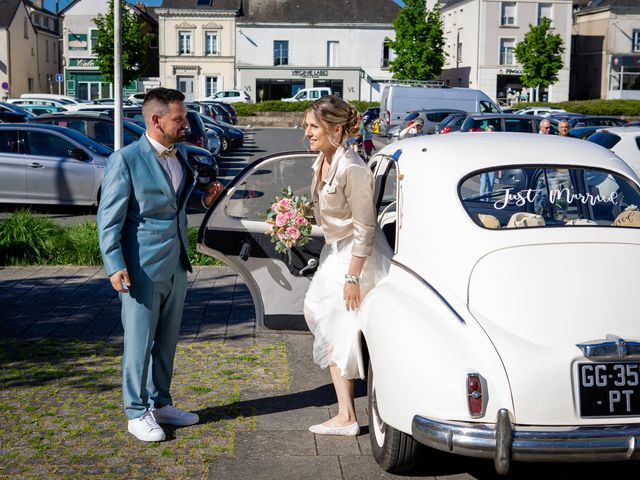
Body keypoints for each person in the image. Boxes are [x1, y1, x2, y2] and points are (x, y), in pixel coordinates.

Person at [97, 87, 224, 442]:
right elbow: (109, 219)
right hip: (140, 269)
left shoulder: (181, 154)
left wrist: (205, 198)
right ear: (156, 120)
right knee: (139, 343)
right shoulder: (125, 160)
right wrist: (114, 264)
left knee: (167, 341)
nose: (186, 123)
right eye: (179, 118)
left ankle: (161, 403)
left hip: (176, 264)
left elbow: (175, 204)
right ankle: (136, 413)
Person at [303, 96, 390, 436]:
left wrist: (353, 276)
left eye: (313, 127)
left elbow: (365, 227)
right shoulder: (325, 161)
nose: (307, 133)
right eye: (306, 127)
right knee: (322, 319)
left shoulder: (352, 167)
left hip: (357, 257)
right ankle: (346, 413)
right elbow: (328, 211)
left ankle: (348, 415)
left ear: (335, 129)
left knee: (341, 329)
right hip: (336, 252)